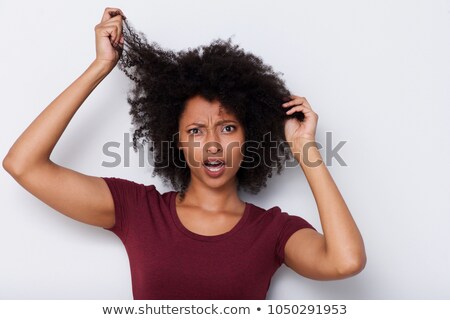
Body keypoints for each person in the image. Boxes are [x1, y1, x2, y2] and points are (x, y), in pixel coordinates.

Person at [3, 7, 366, 299]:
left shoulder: (272, 230)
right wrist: (100, 67)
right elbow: (22, 165)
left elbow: (345, 261)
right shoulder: (139, 211)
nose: (211, 144)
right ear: (176, 141)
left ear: (248, 137)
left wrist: (304, 148)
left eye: (227, 128)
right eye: (196, 130)